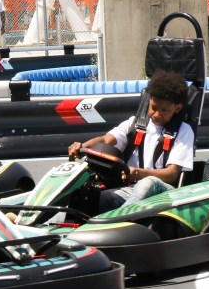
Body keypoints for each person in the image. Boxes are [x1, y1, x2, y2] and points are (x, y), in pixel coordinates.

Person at [67, 70, 195, 212]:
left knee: (148, 182)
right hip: (129, 190)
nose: (157, 114)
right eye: (154, 108)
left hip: (162, 192)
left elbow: (172, 174)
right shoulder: (134, 124)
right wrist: (82, 146)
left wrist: (139, 173)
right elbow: (106, 140)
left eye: (164, 110)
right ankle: (51, 225)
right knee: (87, 194)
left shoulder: (184, 131)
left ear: (177, 108)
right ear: (149, 100)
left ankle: (119, 220)